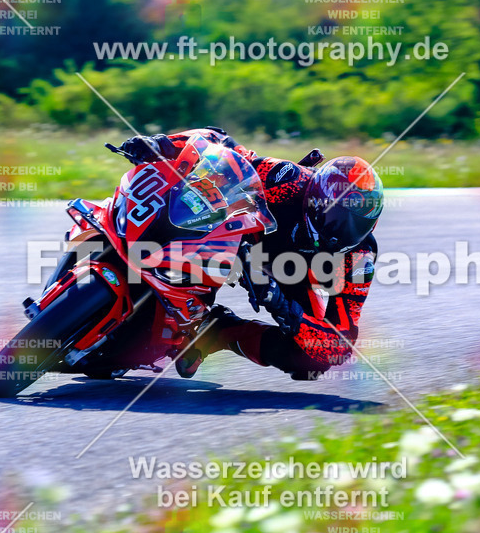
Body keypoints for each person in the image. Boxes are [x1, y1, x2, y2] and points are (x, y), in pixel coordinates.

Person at [120, 127, 383, 380]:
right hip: (242, 238)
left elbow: (341, 341)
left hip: (292, 278)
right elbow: (221, 143)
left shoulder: (360, 261)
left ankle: (214, 332)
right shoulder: (290, 180)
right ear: (317, 197)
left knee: (314, 360)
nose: (341, 232)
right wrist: (164, 145)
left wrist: (284, 307)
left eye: (355, 224)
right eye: (337, 217)